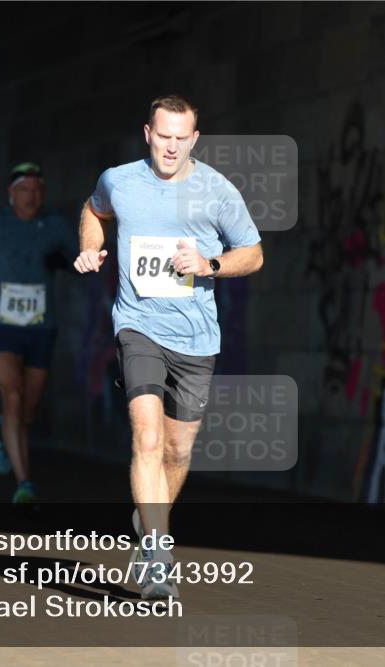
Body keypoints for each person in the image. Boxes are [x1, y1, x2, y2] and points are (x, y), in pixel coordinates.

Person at [74, 94, 263, 598]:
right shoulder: (120, 180)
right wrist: (90, 248)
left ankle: (148, 523)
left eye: (182, 138)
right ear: (147, 133)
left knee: (178, 452)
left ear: (194, 139)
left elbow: (254, 252)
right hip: (137, 327)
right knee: (149, 440)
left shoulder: (217, 190)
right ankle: (159, 555)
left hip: (197, 336)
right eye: (164, 136)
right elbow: (93, 209)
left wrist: (210, 266)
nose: (172, 146)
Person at [0, 162, 75, 504]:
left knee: (27, 410)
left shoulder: (54, 224)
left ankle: (3, 432)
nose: (32, 196)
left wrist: (66, 262)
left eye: (38, 189)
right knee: (11, 394)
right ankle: (25, 483)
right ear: (12, 194)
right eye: (24, 189)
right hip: (2, 325)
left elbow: (83, 259)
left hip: (41, 327)